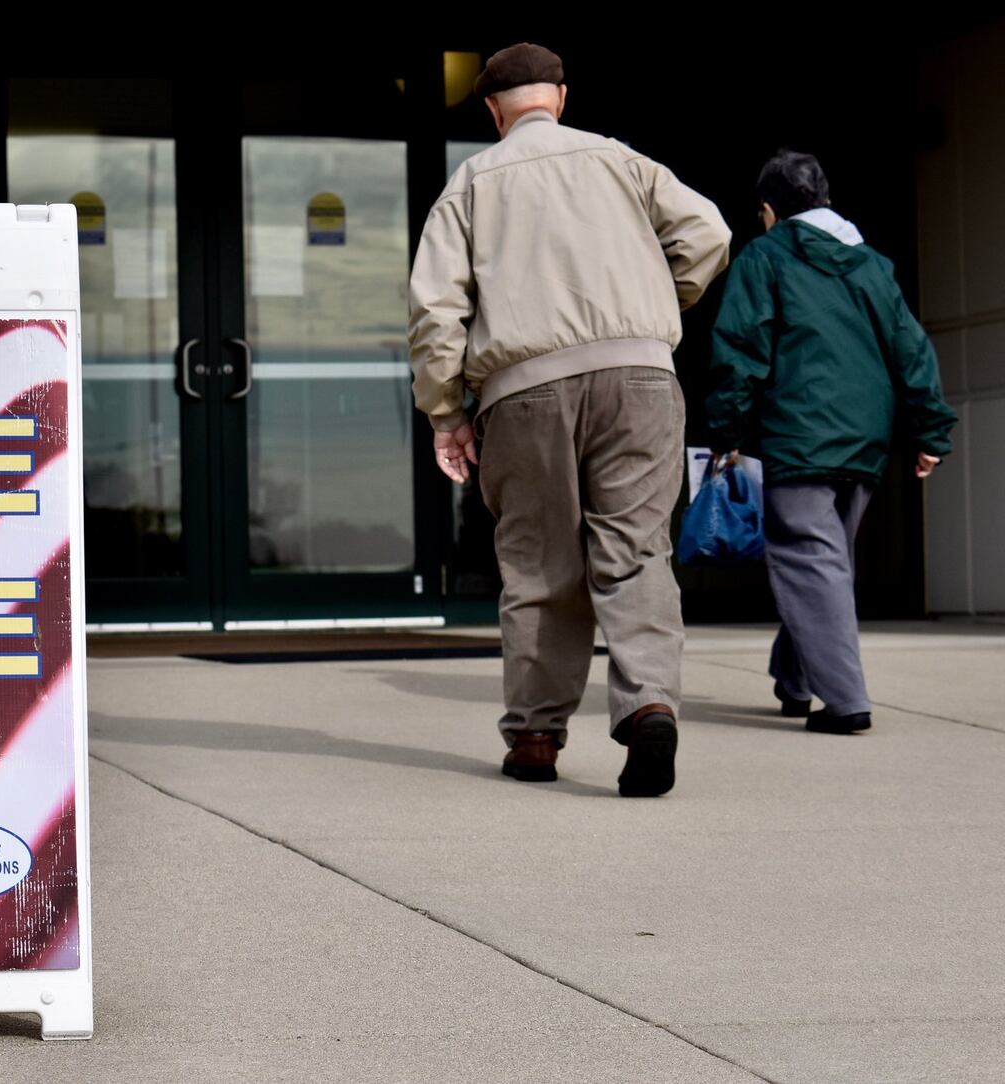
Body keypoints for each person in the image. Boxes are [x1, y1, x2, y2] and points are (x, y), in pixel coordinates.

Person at [408, 43, 730, 797]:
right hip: (642, 379)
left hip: (524, 389)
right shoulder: (621, 160)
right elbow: (709, 232)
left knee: (538, 565)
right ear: (560, 96)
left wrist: (445, 410)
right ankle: (649, 702)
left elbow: (435, 310)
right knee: (638, 549)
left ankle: (536, 736)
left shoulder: (472, 182)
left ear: (493, 112)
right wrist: (655, 305)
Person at [707, 151, 957, 734]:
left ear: (769, 211)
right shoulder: (872, 266)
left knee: (812, 562)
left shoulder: (764, 257)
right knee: (825, 563)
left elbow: (740, 352)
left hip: (798, 436)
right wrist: (930, 431)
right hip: (864, 440)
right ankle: (795, 680)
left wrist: (726, 433)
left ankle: (845, 701)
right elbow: (911, 349)